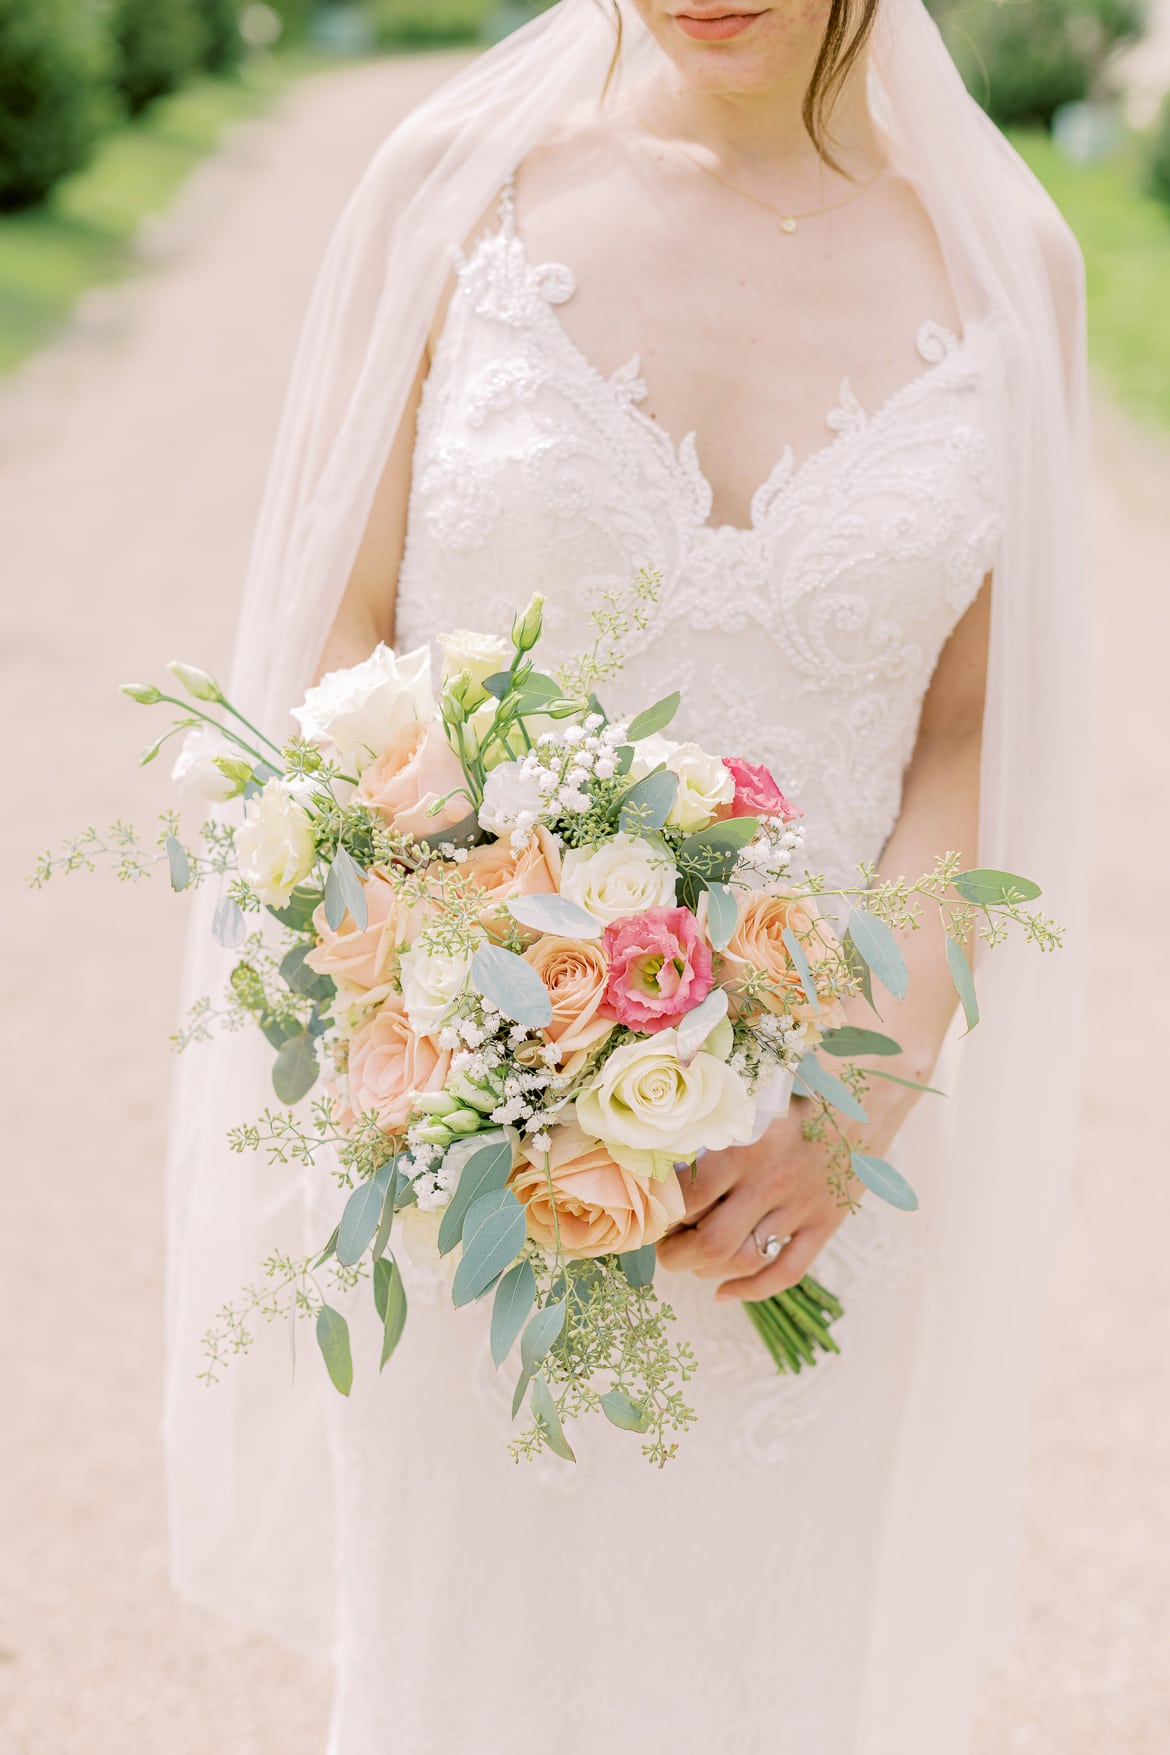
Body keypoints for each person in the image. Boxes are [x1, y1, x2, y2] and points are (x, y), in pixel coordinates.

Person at [164, 3, 1090, 1751]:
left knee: (748, 1669)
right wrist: (459, 1013)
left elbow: (972, 728)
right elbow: (329, 627)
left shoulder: (1007, 264)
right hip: (472, 1143)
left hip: (804, 1168)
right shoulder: (456, 187)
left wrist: (857, 1091)